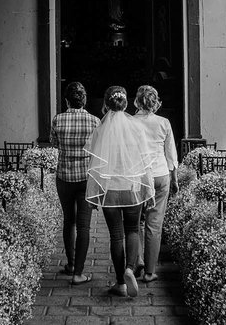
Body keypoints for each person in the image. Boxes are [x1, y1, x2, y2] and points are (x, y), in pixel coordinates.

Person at [85, 85, 155, 298]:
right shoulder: (136, 127)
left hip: (110, 190)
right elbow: (145, 162)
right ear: (126, 103)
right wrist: (149, 190)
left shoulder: (100, 129)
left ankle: (120, 283)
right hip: (132, 188)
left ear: (106, 104)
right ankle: (130, 269)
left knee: (116, 236)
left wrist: (93, 193)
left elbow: (94, 163)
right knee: (132, 230)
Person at [50, 81, 99, 285]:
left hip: (64, 176)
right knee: (84, 226)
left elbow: (54, 143)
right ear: (84, 99)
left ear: (67, 100)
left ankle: (70, 263)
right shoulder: (95, 121)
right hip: (86, 178)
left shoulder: (58, 120)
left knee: (68, 220)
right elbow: (98, 147)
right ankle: (78, 272)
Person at [132, 84, 178, 283]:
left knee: (135, 223)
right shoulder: (164, 123)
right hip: (160, 175)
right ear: (155, 101)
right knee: (154, 224)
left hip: (137, 176)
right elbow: (171, 154)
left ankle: (138, 261)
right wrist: (174, 179)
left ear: (137, 101)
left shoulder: (130, 122)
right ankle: (150, 272)